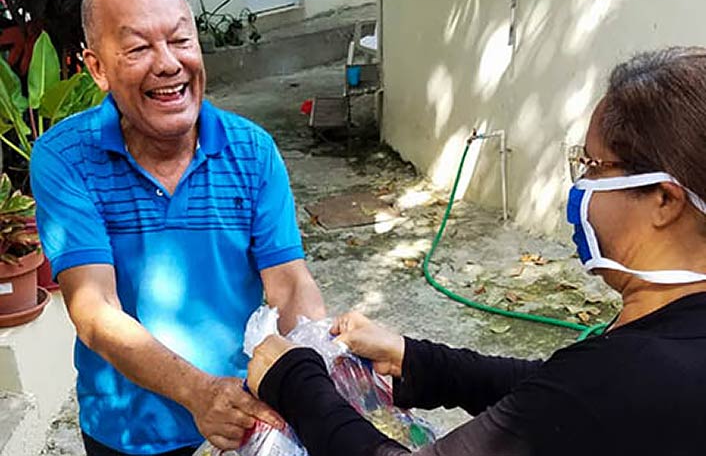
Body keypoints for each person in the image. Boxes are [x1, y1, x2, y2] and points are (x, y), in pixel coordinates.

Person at [247, 47, 706, 456]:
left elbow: (579, 394)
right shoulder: (664, 342)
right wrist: (416, 359)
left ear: (664, 200)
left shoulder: (625, 373)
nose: (580, 185)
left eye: (593, 166)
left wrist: (296, 381)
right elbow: (553, 394)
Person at [29, 0, 326, 454]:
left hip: (244, 419)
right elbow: (95, 309)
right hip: (128, 432)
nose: (168, 63)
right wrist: (199, 394)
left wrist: (319, 374)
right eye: (138, 47)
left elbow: (289, 283)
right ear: (97, 68)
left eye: (181, 40)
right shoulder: (64, 158)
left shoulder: (252, 150)